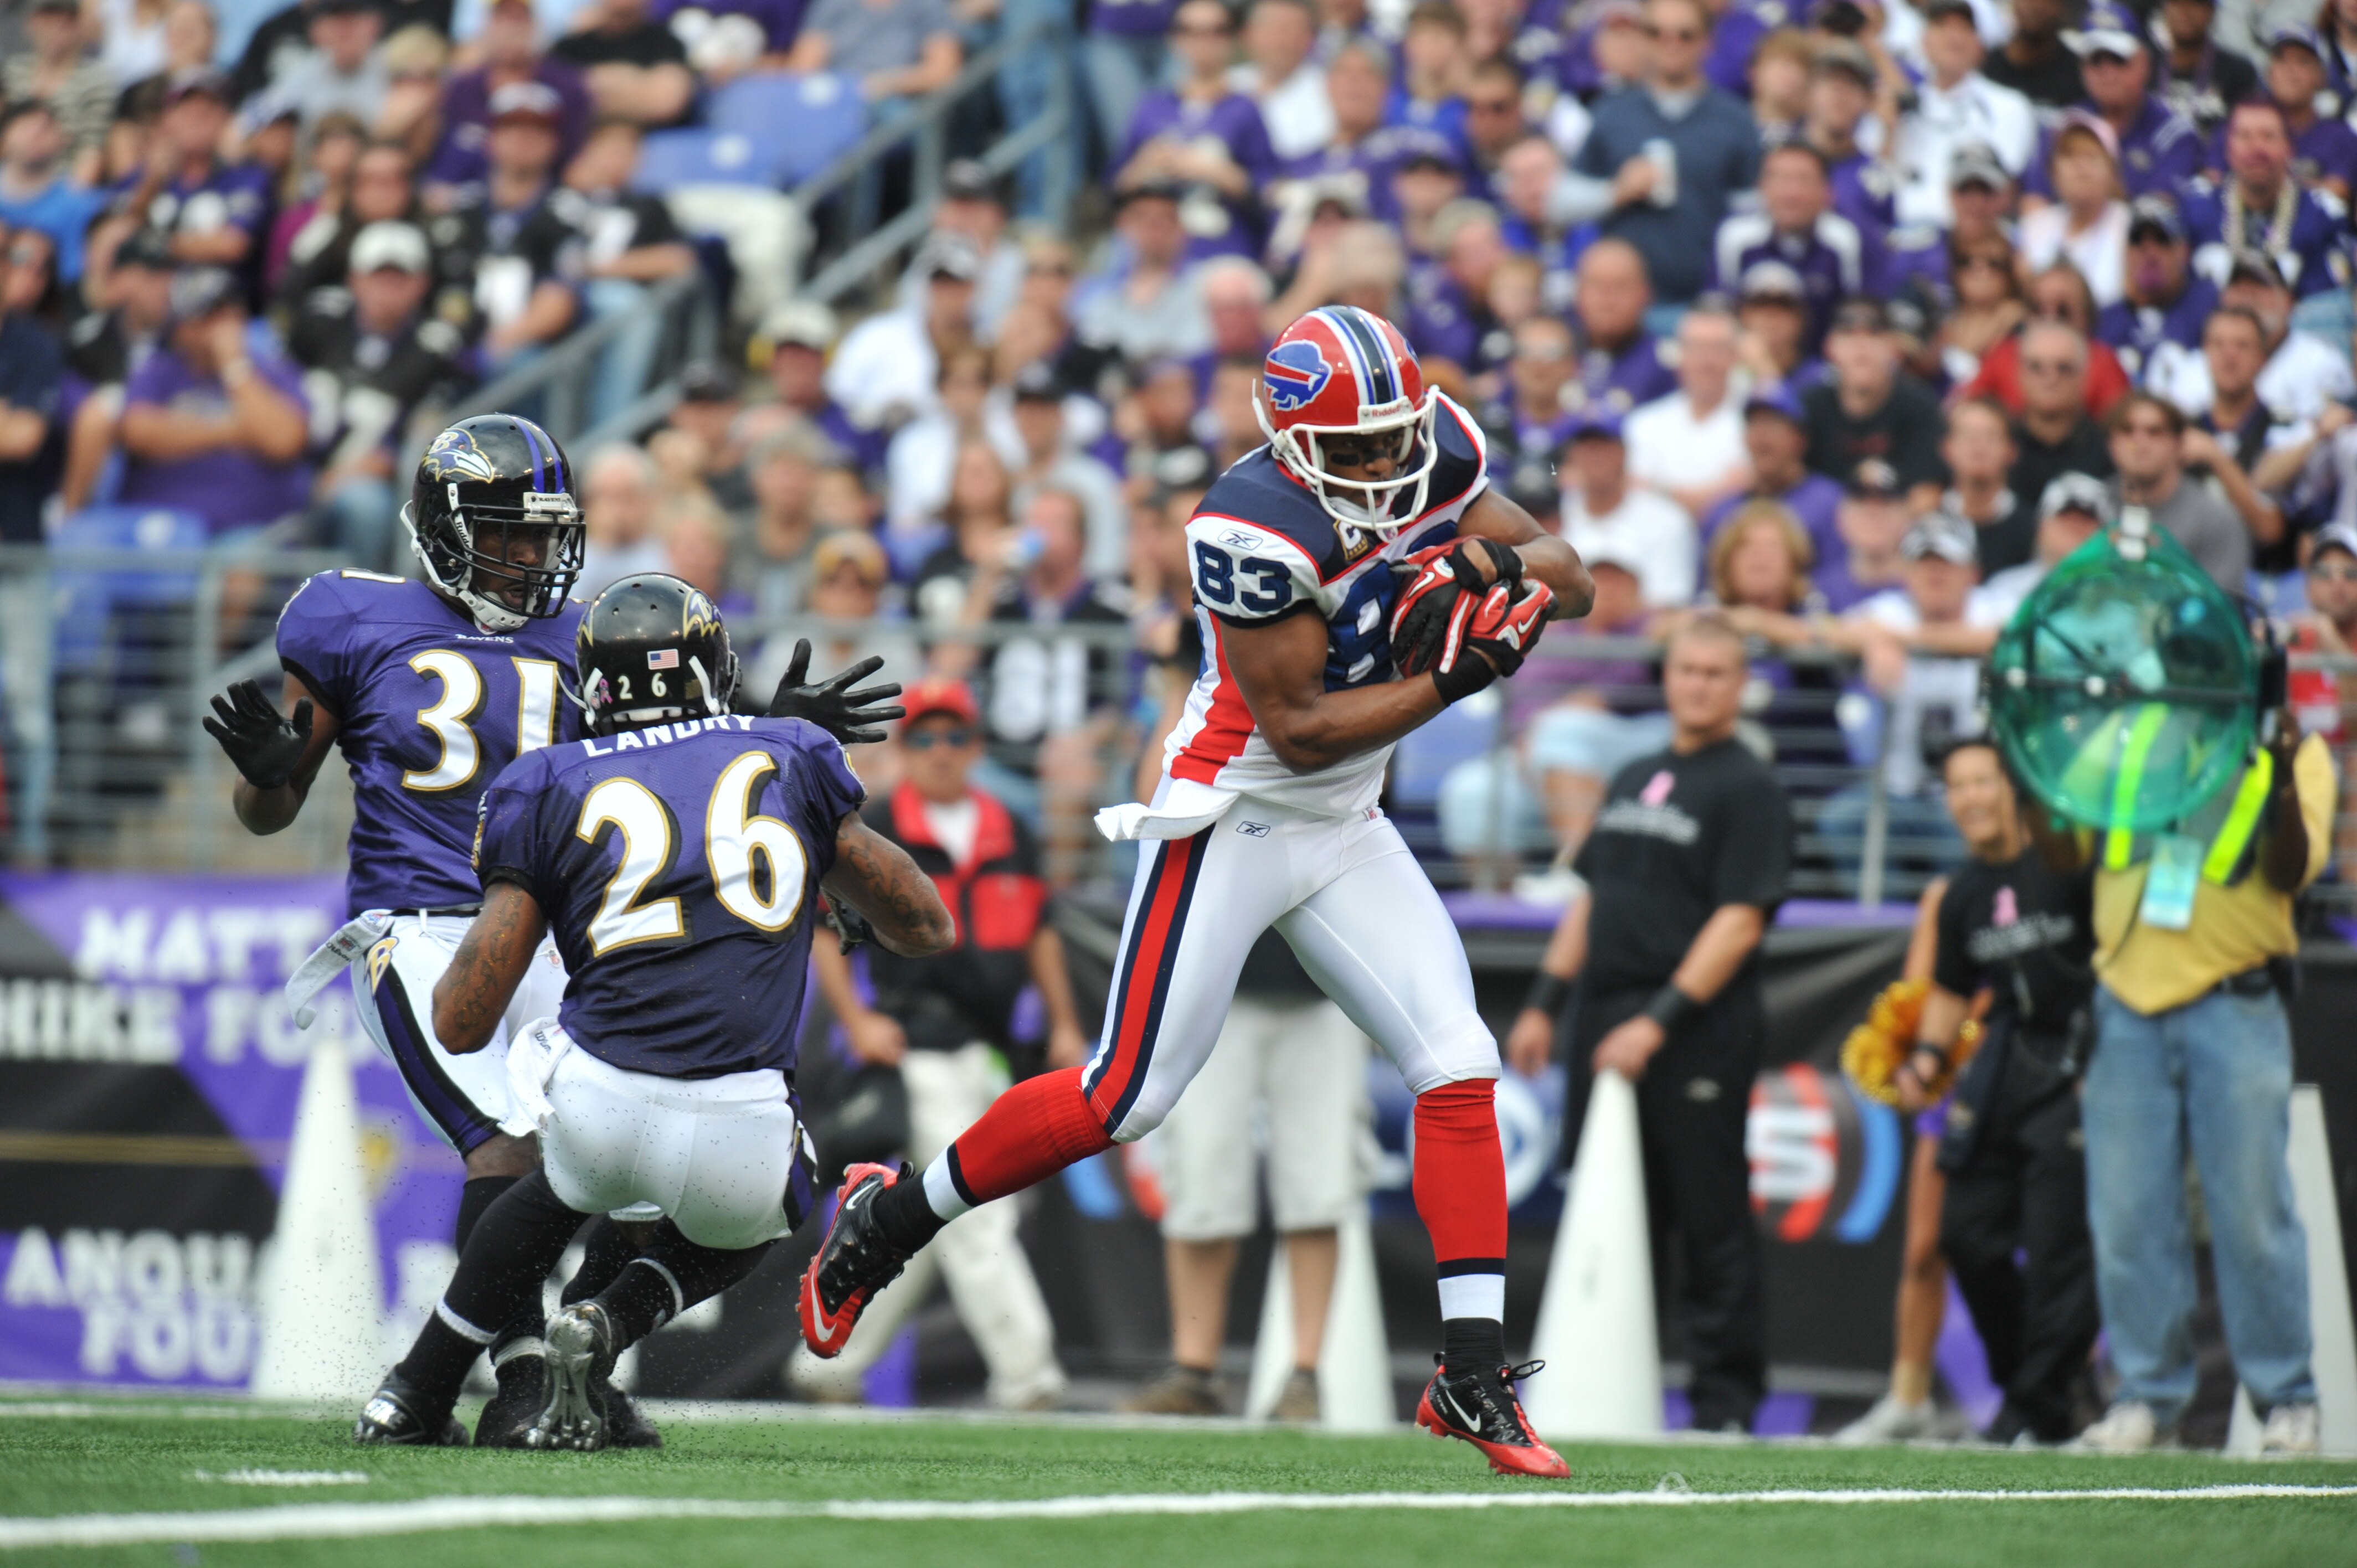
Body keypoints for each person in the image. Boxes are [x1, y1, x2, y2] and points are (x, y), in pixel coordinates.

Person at [796, 306, 1596, 1479]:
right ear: (1293, 438)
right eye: (1360, 447)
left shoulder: (1434, 449)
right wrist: (1457, 674)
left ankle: (1469, 1374)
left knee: (1457, 1060)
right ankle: (885, 1222)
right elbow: (1303, 729)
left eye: (1396, 439)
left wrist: (1481, 562)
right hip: (1237, 808)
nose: (1387, 464)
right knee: (1128, 1092)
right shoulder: (1249, 524)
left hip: (1348, 825)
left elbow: (1569, 579)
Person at [353, 574, 943, 1448]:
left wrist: (554, 893)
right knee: (785, 1191)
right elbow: (927, 926)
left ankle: (415, 1388)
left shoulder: (547, 780)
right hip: (744, 1132)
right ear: (712, 668)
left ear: (592, 686)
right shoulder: (791, 754)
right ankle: (609, 1324)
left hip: (602, 1114)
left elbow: (462, 1023)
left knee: (548, 1176)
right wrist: (813, 856)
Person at [202, 414, 604, 1443]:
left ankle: (517, 1376)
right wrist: (266, 774)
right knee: (508, 1150)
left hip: (553, 935)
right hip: (417, 925)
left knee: (606, 1150)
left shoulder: (585, 638)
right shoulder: (350, 616)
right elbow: (273, 807)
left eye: (543, 533)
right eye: (507, 532)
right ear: (442, 525)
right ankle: (515, 1382)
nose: (530, 555)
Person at [1505, 617, 1790, 1435]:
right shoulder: (1632, 775)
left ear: (1739, 686)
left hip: (1696, 1027)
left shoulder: (1750, 788)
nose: (1698, 684)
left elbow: (1740, 922)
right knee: (1610, 1212)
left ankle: (1724, 1409)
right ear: (1667, 678)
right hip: (1604, 1014)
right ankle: (1603, 1390)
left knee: (1708, 1222)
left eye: (1715, 673)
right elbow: (1593, 898)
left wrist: (1658, 1023)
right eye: (1687, 670)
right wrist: (1544, 1004)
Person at [2040, 672, 2334, 1456]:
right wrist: (2028, 753)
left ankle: (2286, 1402)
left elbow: (2291, 870)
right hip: (2125, 1002)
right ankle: (2145, 1401)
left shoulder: (2294, 747)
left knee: (2252, 1213)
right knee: (2128, 1214)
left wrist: (2271, 764)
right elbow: (2060, 846)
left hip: (2234, 1000)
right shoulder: (2125, 735)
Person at [793, 677, 1083, 1412]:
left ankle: (827, 1367)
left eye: (955, 737)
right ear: (907, 748)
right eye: (924, 737)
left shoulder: (1006, 825)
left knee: (939, 1215)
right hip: (916, 1042)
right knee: (978, 1212)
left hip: (991, 1049)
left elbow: (1042, 926)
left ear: (976, 747)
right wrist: (857, 1022)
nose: (941, 752)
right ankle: (1031, 1378)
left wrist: (1063, 1022)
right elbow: (822, 929)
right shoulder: (878, 821)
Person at [1891, 739, 2100, 1446]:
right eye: (1956, 787)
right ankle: (2030, 1383)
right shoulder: (1960, 896)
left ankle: (2038, 1409)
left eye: (1983, 781)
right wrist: (1923, 1058)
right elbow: (1950, 990)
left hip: (2073, 1060)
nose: (1970, 798)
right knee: (1966, 1236)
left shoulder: (2067, 866)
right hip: (2002, 1061)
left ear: (2014, 789)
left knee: (2056, 1248)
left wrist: (2099, 1061)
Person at [1122, 924, 1372, 1422]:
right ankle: (1194, 1372)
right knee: (1201, 1178)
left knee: (1320, 1186)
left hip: (1328, 986)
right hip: (1209, 982)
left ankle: (1305, 1377)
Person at [287, 219, 465, 567]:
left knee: (365, 505)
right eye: (378, 277)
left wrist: (344, 475)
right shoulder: (319, 325)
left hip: (368, 478)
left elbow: (425, 439)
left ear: (421, 284)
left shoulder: (435, 350)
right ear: (355, 279)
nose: (387, 290)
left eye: (399, 279)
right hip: (297, 463)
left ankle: (357, 608)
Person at [1563, 0, 1763, 308]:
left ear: (1707, 42)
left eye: (1685, 35)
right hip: (1626, 310)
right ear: (1643, 39)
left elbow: (1753, 218)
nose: (1671, 45)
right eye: (1657, 33)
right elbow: (1560, 202)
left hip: (1707, 308)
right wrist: (1615, 191)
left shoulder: (1736, 120)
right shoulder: (1613, 111)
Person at [116, 267, 312, 539]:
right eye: (205, 318)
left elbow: (284, 442)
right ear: (180, 329)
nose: (218, 329)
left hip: (253, 531)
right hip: (163, 528)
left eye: (227, 315)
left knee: (243, 564)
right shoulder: (158, 371)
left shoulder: (274, 372)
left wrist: (235, 368)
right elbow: (137, 433)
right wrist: (231, 430)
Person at [1708, 140, 1880, 354]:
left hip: (1826, 369)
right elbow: (1716, 312)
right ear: (1761, 187)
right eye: (1781, 179)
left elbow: (1862, 317)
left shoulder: (1847, 239)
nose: (1791, 193)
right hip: (1746, 365)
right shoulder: (1734, 235)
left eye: (1804, 180)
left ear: (1827, 192)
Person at [1891, 0, 2037, 229]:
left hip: (1971, 236)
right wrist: (1889, 127)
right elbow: (1877, 181)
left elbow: (2004, 190)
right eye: (1942, 26)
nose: (1954, 38)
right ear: (1924, 42)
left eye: (1964, 28)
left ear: (1981, 46)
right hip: (1902, 235)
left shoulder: (2010, 106)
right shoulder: (1899, 105)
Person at [2180, 99, 2344, 299]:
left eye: (2268, 136)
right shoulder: (2195, 209)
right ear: (2228, 149)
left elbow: (2333, 299)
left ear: (2289, 148)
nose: (2257, 148)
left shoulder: (2323, 214)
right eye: (2244, 136)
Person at [1803, 297, 1946, 509]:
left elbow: (1928, 494)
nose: (1861, 346)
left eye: (1873, 334)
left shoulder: (1920, 407)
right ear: (1830, 347)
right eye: (1848, 334)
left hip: (1899, 530)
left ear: (1894, 348)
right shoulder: (1810, 408)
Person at [2105, 390, 2250, 590]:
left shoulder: (2215, 520)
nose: (2139, 441)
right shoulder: (2091, 510)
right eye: (2128, 430)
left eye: (2154, 432)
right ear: (2111, 442)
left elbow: (2220, 608)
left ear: (2179, 444)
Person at [1557, 409, 1695, 610]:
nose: (1595, 457)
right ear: (1572, 455)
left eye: (1604, 446)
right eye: (1587, 447)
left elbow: (1669, 605)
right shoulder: (1556, 513)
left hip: (1637, 636)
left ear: (1624, 452)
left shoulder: (1666, 520)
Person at [1623, 304, 1749, 521]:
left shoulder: (1754, 419)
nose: (1707, 361)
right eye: (1697, 347)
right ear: (1680, 353)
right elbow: (1634, 496)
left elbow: (1747, 492)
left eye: (1718, 348)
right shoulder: (1644, 423)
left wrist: (1659, 490)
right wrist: (1720, 492)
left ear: (1735, 355)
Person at [1702, 383, 1843, 567]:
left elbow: (1839, 580)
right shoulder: (1722, 512)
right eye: (1754, 424)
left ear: (1800, 439)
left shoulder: (1831, 504)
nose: (1762, 434)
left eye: (1773, 423)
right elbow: (1706, 589)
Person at [2093, 195, 2216, 388]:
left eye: (2162, 239)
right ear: (2125, 252)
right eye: (2137, 240)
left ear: (2184, 251)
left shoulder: (2208, 310)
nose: (2149, 251)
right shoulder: (2104, 322)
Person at [2005, 321, 2115, 516]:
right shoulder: (2001, 447)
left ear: (2084, 375)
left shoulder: (2110, 451)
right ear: (2020, 374)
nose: (2050, 378)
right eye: (2036, 367)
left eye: (2063, 368)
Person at [1941, 395, 2032, 573]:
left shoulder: (2032, 530)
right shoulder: (1929, 523)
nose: (1979, 446)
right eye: (1968, 436)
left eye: (1990, 437)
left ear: (2011, 451)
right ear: (1947, 449)